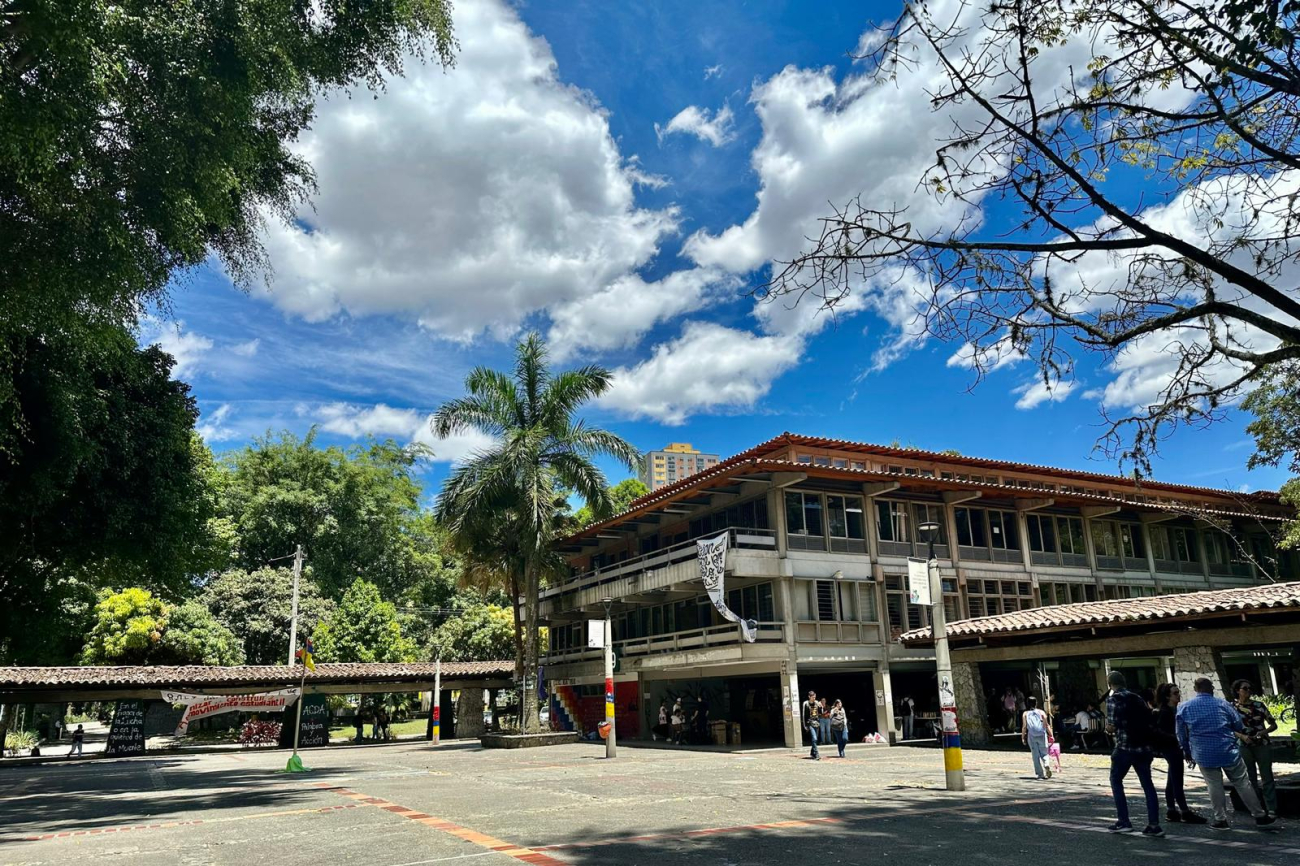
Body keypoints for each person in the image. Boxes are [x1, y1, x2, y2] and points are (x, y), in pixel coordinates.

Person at [1177, 677, 1275, 831]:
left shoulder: (1184, 707)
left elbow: (1181, 733)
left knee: (1214, 784)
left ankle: (1220, 819)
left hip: (1203, 752)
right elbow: (1237, 724)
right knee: (1243, 782)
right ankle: (1259, 815)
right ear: (1212, 689)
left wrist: (1187, 751)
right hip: (1228, 749)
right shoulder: (1223, 704)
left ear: (1196, 689)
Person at [1104, 671, 1164, 837]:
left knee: (1116, 780)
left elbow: (1112, 725)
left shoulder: (1113, 699)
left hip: (1124, 747)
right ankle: (1154, 824)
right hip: (1144, 748)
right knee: (1147, 785)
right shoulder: (1137, 698)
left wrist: (1108, 729)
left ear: (1110, 684)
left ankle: (1124, 821)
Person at [1152, 684, 1206, 824]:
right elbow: (1160, 732)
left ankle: (1172, 810)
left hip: (1172, 746)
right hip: (1171, 747)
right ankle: (1184, 811)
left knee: (1173, 778)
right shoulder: (1166, 712)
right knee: (1177, 779)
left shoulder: (1174, 710)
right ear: (1167, 696)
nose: (1178, 695)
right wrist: (1177, 738)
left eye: (1178, 692)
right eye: (1175, 693)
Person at [1231, 679, 1279, 817]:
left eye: (1250, 688)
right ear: (1237, 690)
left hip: (1262, 744)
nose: (1248, 691)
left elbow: (1273, 724)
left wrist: (1262, 733)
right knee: (1249, 778)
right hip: (1243, 745)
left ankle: (1271, 808)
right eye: (1245, 688)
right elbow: (1228, 727)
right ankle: (1257, 808)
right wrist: (1242, 736)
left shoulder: (1259, 705)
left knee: (1267, 776)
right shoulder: (1232, 707)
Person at [1021, 696, 1053, 779]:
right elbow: (1046, 725)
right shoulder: (1041, 712)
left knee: (1035, 756)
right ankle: (1046, 764)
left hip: (1032, 736)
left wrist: (1023, 737)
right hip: (1042, 735)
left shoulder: (1025, 714)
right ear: (1036, 703)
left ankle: (1040, 774)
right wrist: (1051, 735)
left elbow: (1024, 727)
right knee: (1044, 752)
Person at [801, 690, 822, 760]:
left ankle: (812, 752)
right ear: (809, 697)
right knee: (814, 738)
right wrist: (805, 725)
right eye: (812, 697)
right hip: (810, 723)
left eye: (814, 697)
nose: (814, 698)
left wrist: (820, 707)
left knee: (815, 740)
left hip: (817, 722)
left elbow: (820, 713)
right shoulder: (806, 704)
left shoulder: (816, 703)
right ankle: (816, 754)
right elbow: (804, 715)